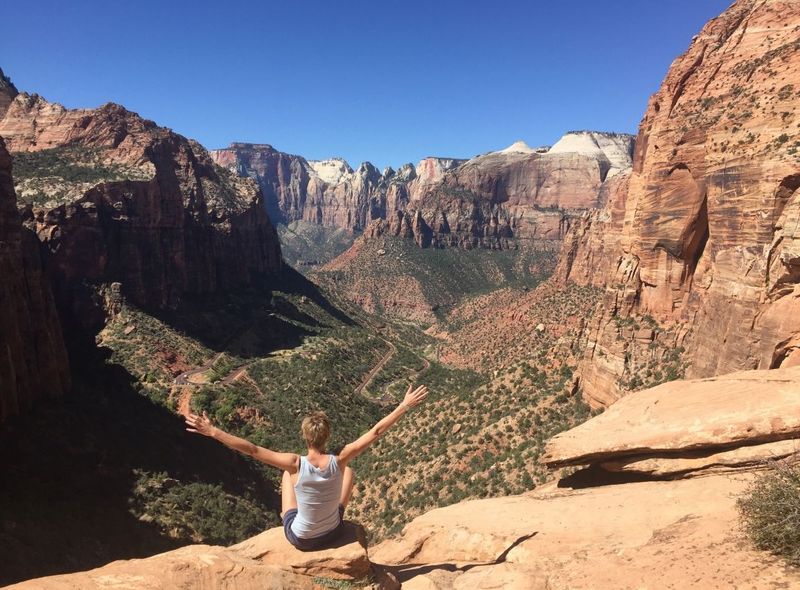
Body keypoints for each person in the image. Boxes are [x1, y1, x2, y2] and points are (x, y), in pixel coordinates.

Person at [184, 383, 429, 551]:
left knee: (287, 476)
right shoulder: (340, 458)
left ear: (305, 436)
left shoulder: (294, 464)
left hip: (301, 538)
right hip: (333, 531)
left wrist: (213, 431)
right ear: (327, 436)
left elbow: (252, 449)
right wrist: (404, 405)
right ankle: (322, 512)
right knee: (349, 473)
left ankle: (287, 516)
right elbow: (375, 431)